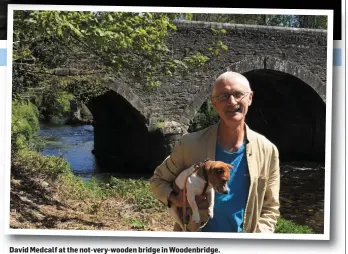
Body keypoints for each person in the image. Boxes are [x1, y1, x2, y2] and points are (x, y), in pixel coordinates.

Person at [149, 71, 280, 233]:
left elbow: (270, 206)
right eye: (223, 96)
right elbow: (157, 181)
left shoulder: (268, 151)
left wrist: (257, 241)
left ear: (250, 98)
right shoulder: (190, 144)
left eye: (238, 94)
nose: (232, 102)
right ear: (214, 103)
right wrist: (175, 198)